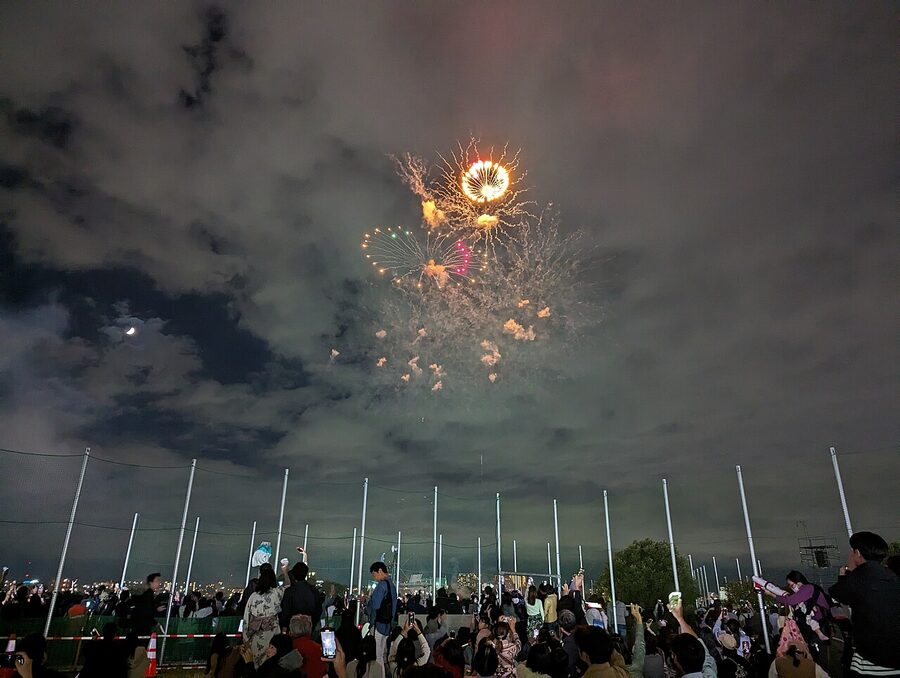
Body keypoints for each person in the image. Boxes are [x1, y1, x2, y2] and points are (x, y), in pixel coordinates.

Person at [828, 531, 900, 677]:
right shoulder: (892, 576)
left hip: (874, 662)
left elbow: (836, 592)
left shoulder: (858, 578)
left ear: (858, 554)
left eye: (851, 553)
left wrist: (844, 575)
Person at [764, 572, 830, 647]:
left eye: (792, 585)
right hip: (819, 621)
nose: (792, 588)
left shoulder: (807, 589)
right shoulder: (808, 589)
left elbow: (790, 601)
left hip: (821, 621)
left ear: (798, 582)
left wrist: (773, 595)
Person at [244, 563, 286, 668]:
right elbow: (288, 585)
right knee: (271, 667)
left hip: (255, 637)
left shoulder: (253, 596)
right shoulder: (276, 593)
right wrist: (285, 571)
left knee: (255, 666)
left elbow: (246, 619)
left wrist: (246, 638)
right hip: (272, 638)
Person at [366, 562, 397, 670]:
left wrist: (368, 602)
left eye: (374, 575)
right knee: (383, 656)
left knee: (377, 657)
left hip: (379, 624)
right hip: (388, 625)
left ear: (380, 571)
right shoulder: (392, 586)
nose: (375, 578)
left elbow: (375, 605)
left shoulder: (382, 585)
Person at [280, 557, 323, 630]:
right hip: (308, 625)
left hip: (293, 626)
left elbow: (285, 611)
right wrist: (313, 623)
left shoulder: (290, 591)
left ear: (294, 574)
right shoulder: (313, 590)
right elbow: (318, 609)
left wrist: (285, 626)